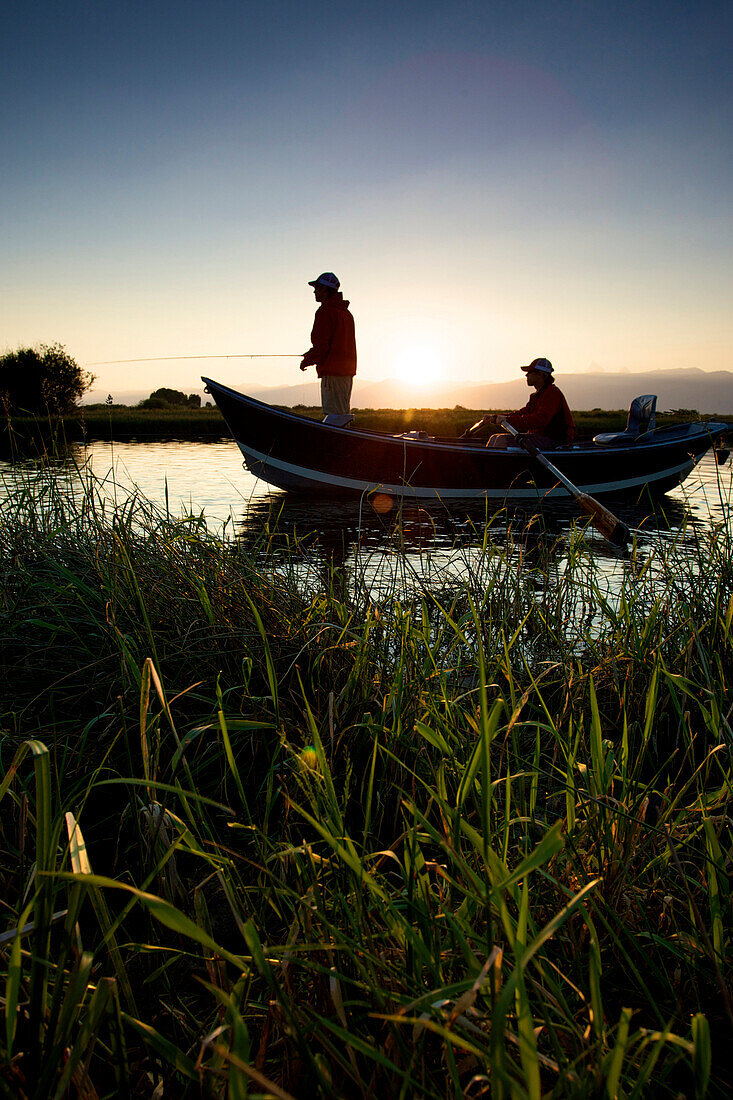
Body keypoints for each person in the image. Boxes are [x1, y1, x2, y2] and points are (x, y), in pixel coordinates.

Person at [479, 357, 575, 449]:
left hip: (555, 440)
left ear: (541, 375)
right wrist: (496, 416)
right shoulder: (535, 396)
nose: (526, 375)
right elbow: (522, 413)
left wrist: (507, 419)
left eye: (530, 372)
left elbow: (540, 419)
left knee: (501, 440)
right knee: (494, 438)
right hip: (539, 437)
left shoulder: (552, 393)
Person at [299, 272, 356, 418]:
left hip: (332, 373)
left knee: (334, 417)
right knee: (342, 416)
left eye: (316, 288)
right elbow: (335, 343)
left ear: (325, 289)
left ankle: (337, 441)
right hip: (347, 374)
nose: (314, 291)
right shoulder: (346, 314)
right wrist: (311, 354)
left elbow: (322, 346)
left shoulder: (324, 312)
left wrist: (308, 359)